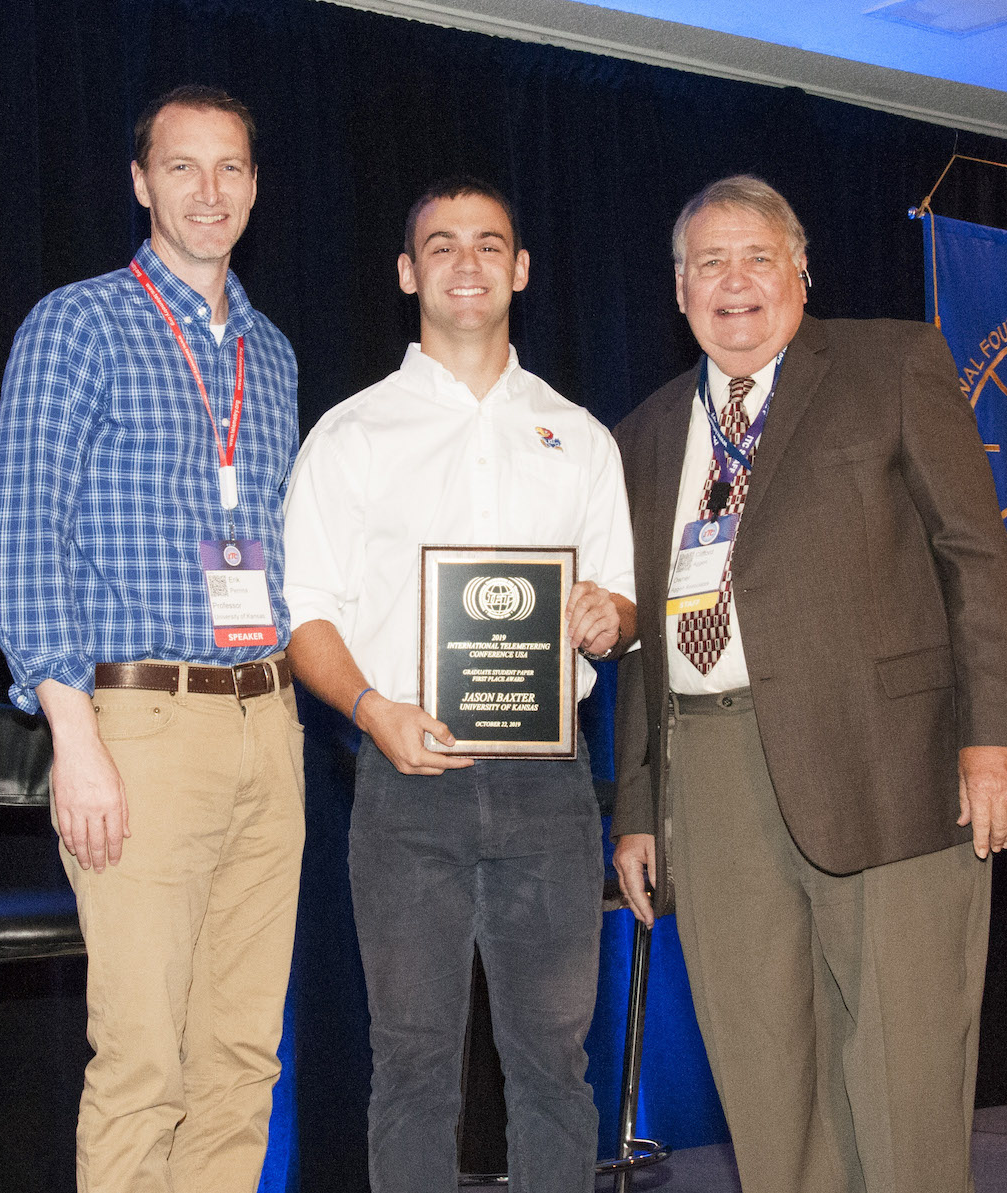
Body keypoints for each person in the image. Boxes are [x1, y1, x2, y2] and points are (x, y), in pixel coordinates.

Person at [611, 175, 1007, 1193]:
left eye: (756, 256)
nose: (733, 281)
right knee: (766, 1084)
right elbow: (635, 638)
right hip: (708, 779)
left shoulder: (889, 362)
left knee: (903, 1077)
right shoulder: (642, 432)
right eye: (707, 262)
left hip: (887, 766)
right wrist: (638, 807)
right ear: (677, 290)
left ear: (800, 272)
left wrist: (996, 737)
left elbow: (974, 558)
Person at [281, 177, 636, 1193]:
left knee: (552, 1069)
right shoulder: (349, 436)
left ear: (520, 269)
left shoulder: (579, 435)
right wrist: (369, 709)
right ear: (407, 273)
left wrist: (608, 618)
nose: (467, 262)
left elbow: (617, 600)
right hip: (402, 785)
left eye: (489, 244)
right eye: (441, 245)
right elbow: (305, 616)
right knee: (411, 1067)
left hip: (548, 787)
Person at [0, 85, 304, 1193]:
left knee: (241, 1056)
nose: (207, 191)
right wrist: (74, 734)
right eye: (182, 167)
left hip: (270, 719)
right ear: (139, 182)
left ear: (254, 188)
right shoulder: (75, 322)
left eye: (230, 169)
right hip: (139, 724)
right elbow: (24, 537)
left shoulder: (274, 353)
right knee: (143, 1060)